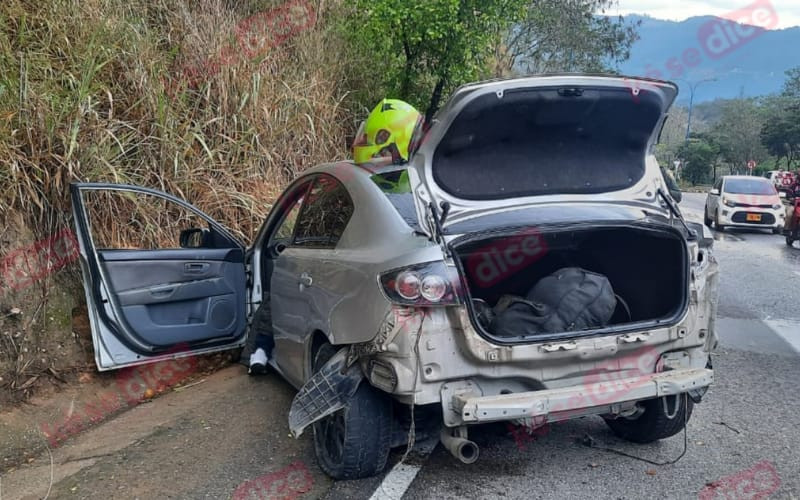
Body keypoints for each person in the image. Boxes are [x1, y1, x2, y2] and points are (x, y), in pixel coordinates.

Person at [247, 98, 422, 374]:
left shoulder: (361, 185)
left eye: (367, 135)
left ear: (384, 137)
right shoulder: (421, 185)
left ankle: (258, 353)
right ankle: (259, 353)